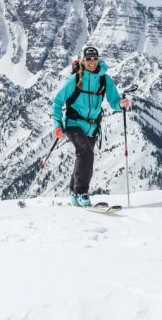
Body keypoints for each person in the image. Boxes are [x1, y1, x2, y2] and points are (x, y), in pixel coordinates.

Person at [51, 46, 130, 207]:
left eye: (95, 58)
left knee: (83, 156)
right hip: (73, 124)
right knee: (86, 153)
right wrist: (58, 125)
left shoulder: (104, 80)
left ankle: (74, 193)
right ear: (83, 61)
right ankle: (81, 192)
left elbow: (114, 101)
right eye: (88, 59)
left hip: (92, 127)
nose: (92, 62)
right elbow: (57, 102)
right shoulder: (76, 80)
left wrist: (120, 104)